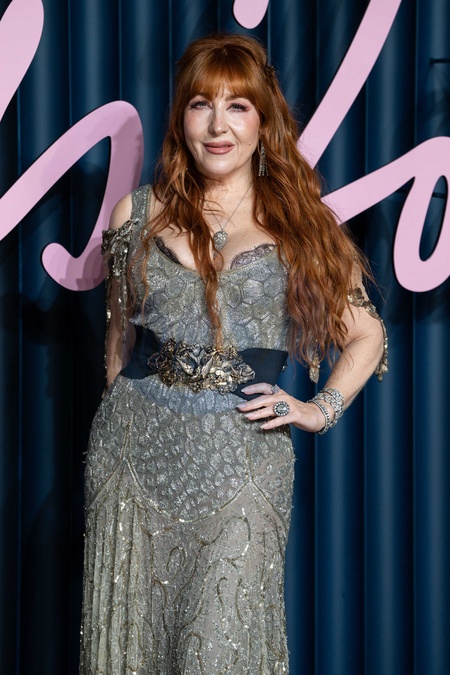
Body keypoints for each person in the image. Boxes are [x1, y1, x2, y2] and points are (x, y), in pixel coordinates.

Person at [80, 33, 388, 674]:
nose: (218, 125)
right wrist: (117, 429)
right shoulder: (135, 213)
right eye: (201, 104)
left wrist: (320, 409)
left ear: (263, 122)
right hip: (130, 464)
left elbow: (367, 334)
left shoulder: (302, 228)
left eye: (238, 106)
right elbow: (117, 344)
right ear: (181, 119)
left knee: (220, 652)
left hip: (243, 471)